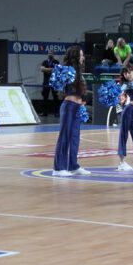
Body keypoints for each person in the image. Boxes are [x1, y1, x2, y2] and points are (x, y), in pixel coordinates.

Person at [52, 46, 91, 177]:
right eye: (81, 55)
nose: (83, 57)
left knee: (75, 138)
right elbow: (60, 88)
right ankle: (58, 168)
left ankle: (73, 165)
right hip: (69, 106)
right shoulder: (68, 71)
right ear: (75, 57)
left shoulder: (79, 72)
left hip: (77, 108)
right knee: (65, 136)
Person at [40, 50, 59, 117]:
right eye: (49, 53)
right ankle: (44, 112)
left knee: (55, 98)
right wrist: (51, 69)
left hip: (54, 82)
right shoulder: (44, 62)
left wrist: (46, 69)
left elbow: (57, 70)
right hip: (46, 82)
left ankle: (56, 112)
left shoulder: (56, 62)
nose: (50, 54)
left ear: (54, 54)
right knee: (45, 97)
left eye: (51, 53)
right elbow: (42, 69)